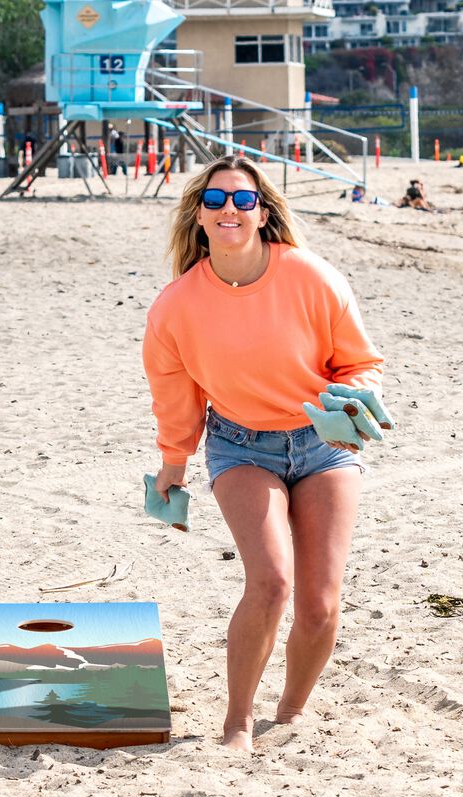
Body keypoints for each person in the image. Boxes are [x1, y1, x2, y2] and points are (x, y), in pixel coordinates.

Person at [142, 156, 385, 753]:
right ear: (199, 215)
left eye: (244, 200)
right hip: (240, 445)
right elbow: (177, 400)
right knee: (272, 581)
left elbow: (361, 362)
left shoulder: (311, 276)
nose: (231, 210)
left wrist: (357, 403)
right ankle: (237, 722)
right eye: (218, 201)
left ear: (263, 211)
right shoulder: (175, 306)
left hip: (324, 443)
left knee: (321, 600)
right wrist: (172, 469)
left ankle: (293, 708)